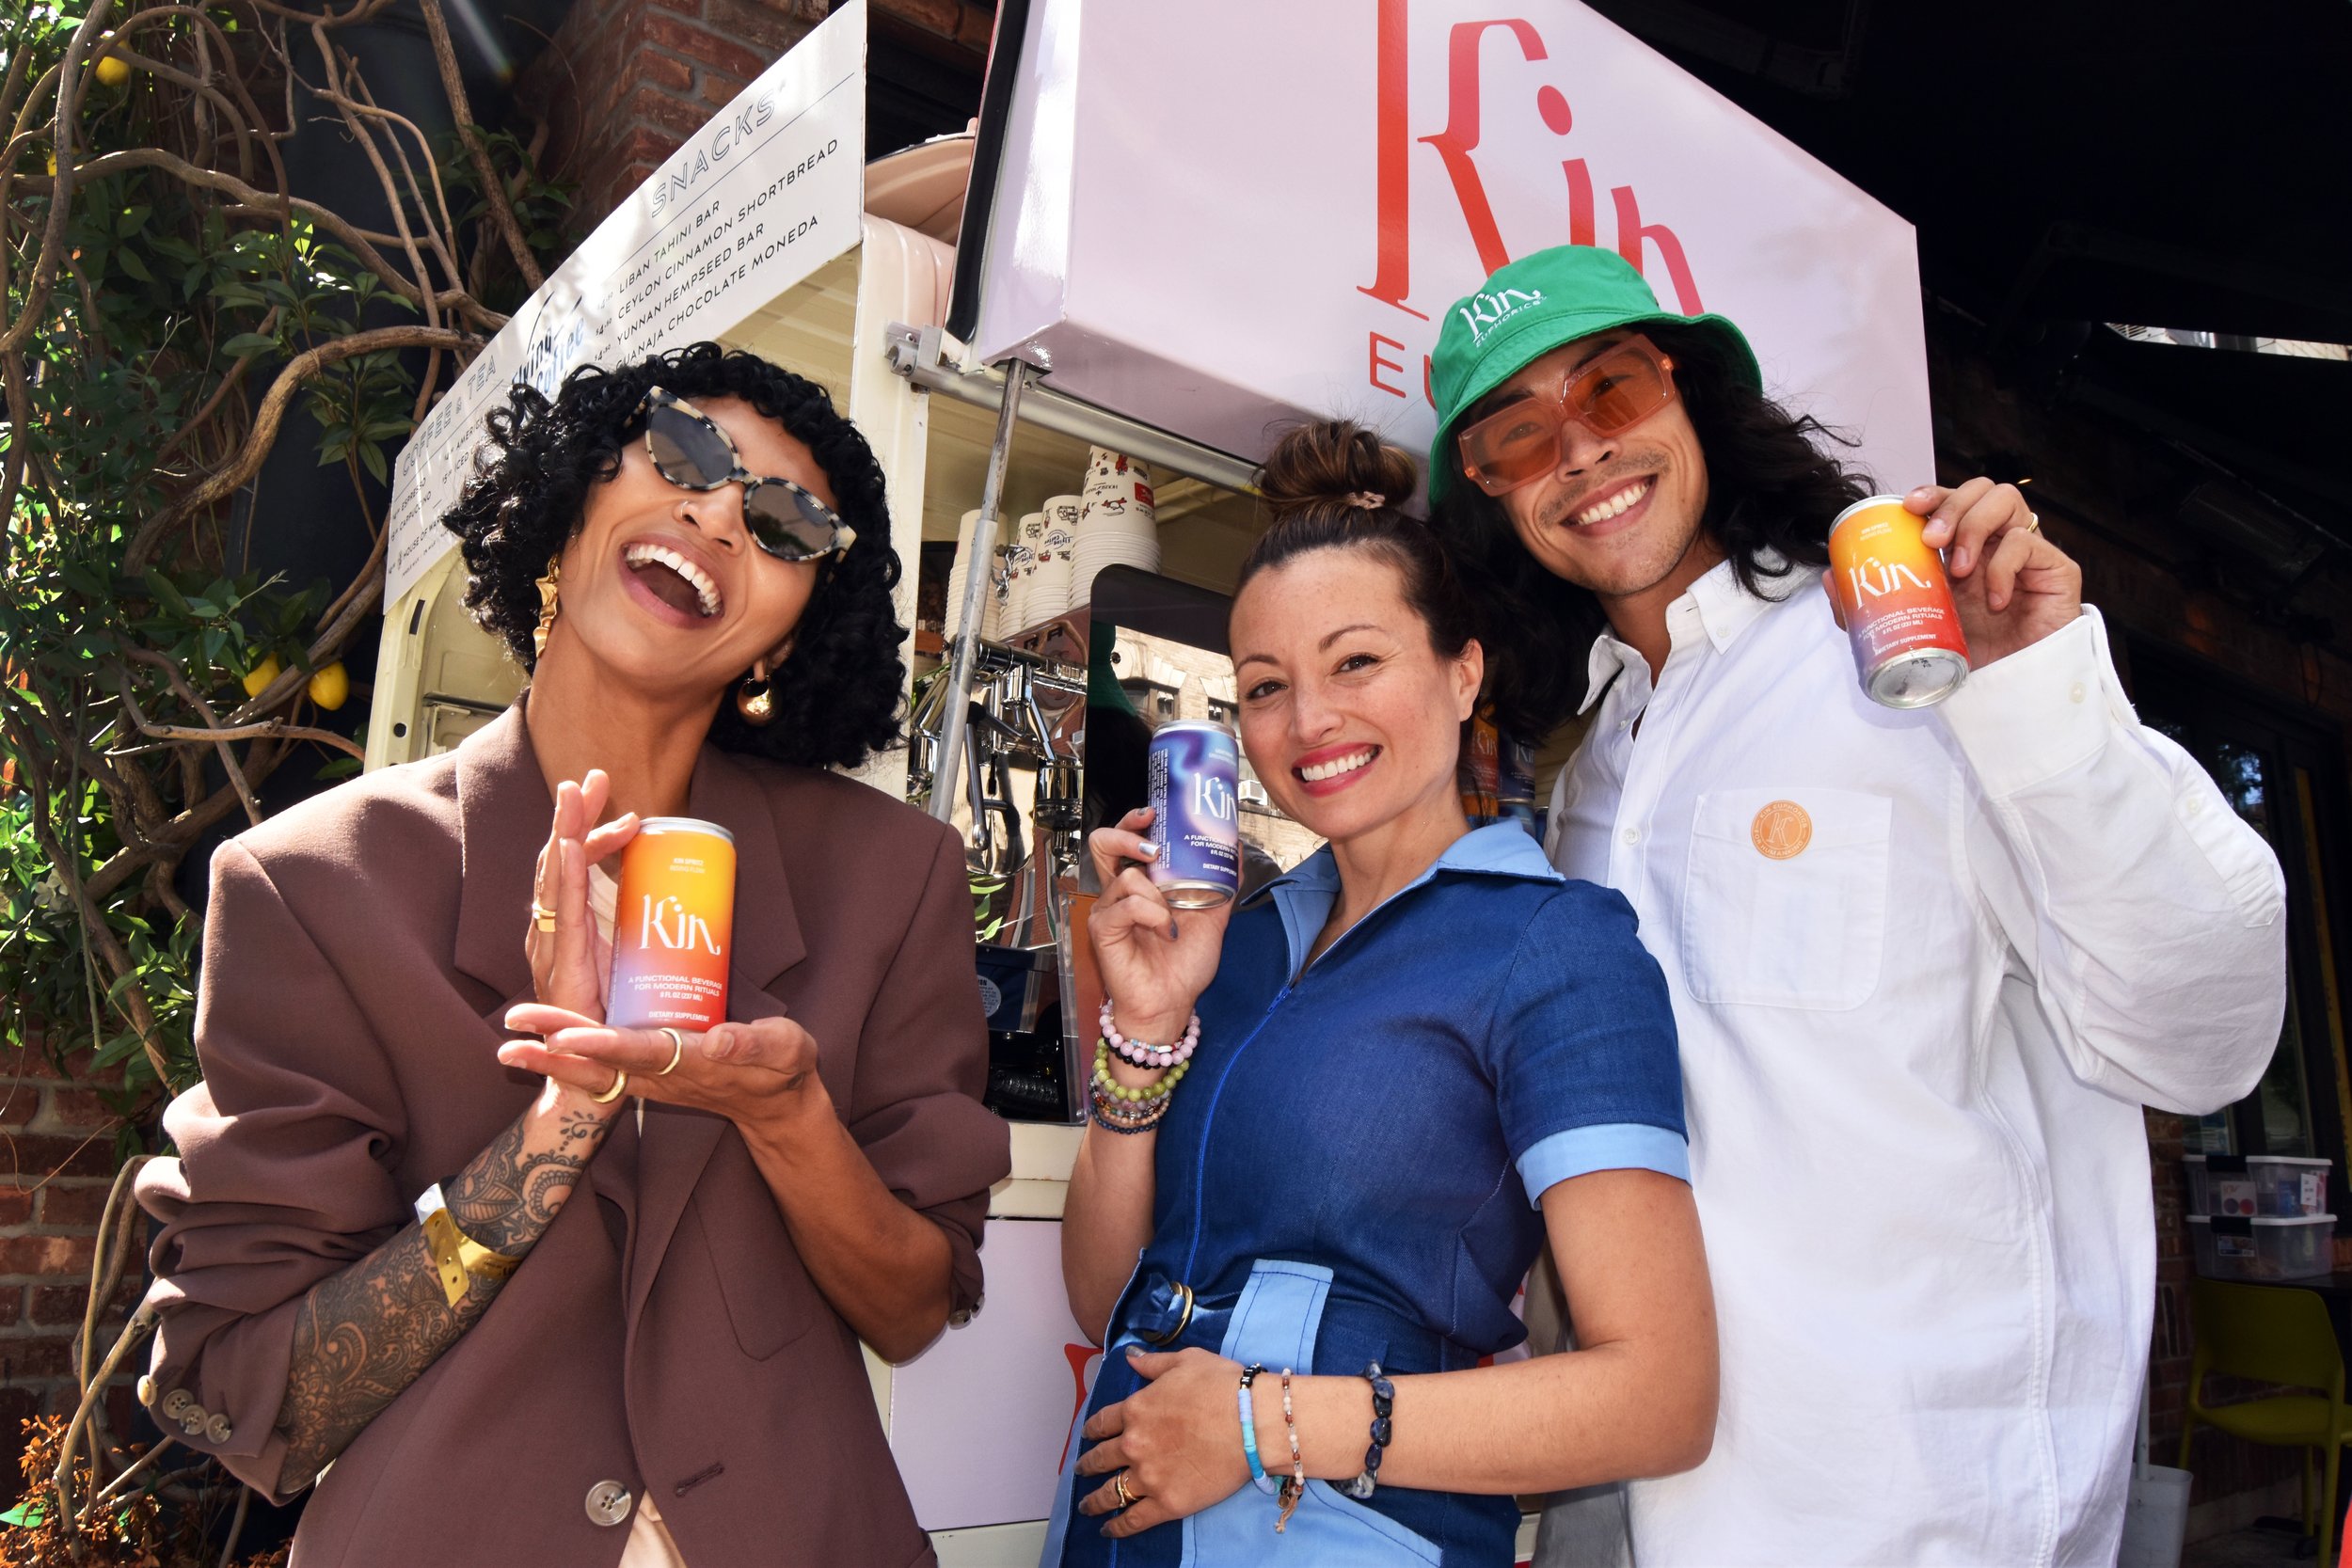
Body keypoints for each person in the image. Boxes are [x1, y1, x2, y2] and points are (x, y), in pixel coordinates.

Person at [1425, 245, 2289, 1566]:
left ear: (1693, 396)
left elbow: (2204, 1034)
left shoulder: (1910, 657)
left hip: (1936, 1512)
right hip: (1670, 1509)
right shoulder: (1594, 769)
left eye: (1611, 390)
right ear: (1494, 499)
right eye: (1518, 438)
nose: (1581, 453)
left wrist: (2030, 690)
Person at [134, 342, 1009, 1566]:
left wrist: (790, 1114)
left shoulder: (893, 875)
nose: (714, 513)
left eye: (784, 522)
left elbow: (914, 1300)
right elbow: (249, 1390)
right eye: (684, 454)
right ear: (572, 499)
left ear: (789, 633)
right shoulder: (312, 883)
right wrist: (557, 1124)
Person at [1043, 421, 1718, 1568]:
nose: (1308, 723)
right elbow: (1110, 1294)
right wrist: (1145, 1028)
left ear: (1462, 671)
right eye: (1265, 686)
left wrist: (1264, 1423)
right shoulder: (1236, 943)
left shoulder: (1553, 943)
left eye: (1355, 662)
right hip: (1119, 1524)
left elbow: (1657, 1397)